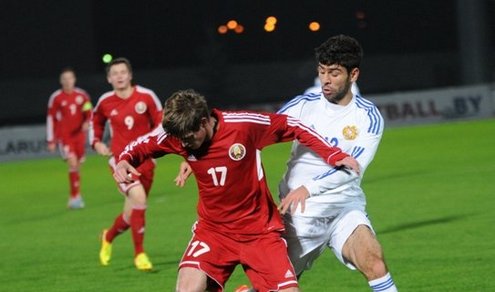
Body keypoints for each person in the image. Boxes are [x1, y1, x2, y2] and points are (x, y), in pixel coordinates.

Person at [113, 89, 360, 291]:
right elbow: (143, 145)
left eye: (189, 138)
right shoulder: (178, 136)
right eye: (181, 140)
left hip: (259, 233)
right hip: (213, 232)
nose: (184, 144)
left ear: (204, 122)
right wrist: (125, 159)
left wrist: (334, 154)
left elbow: (293, 125)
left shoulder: (243, 127)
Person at [277, 34, 398, 291]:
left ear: (353, 75)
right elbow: (257, 132)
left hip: (344, 209)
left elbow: (352, 170)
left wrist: (308, 187)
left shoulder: (368, 116)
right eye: (322, 72)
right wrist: (203, 153)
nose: (326, 80)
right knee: (275, 286)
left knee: (374, 263)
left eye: (334, 73)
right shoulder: (302, 106)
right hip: (299, 217)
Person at [89, 57, 163, 271]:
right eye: (115, 73)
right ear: (109, 78)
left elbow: (160, 122)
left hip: (146, 162)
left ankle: (108, 236)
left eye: (123, 72)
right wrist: (96, 143)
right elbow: (96, 122)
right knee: (139, 198)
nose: (119, 76)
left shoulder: (147, 97)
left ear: (130, 75)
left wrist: (157, 146)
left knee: (131, 215)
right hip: (120, 162)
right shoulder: (105, 101)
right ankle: (139, 254)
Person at [46, 67, 92, 209]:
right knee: (72, 163)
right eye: (64, 78)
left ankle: (75, 195)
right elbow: (51, 118)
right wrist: (51, 140)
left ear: (74, 79)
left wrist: (86, 122)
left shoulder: (82, 95)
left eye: (70, 78)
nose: (67, 81)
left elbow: (89, 112)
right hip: (65, 137)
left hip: (79, 136)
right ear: (61, 81)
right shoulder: (56, 98)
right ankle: (75, 198)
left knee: (77, 166)